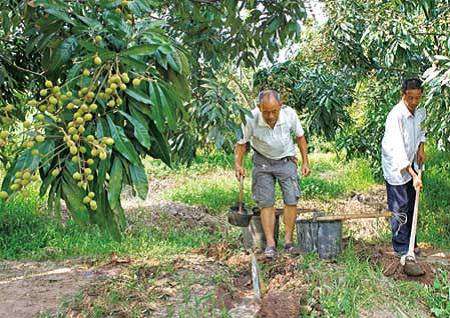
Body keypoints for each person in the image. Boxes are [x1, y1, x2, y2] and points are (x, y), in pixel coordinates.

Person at [234, 90, 310, 259]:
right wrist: (238, 164)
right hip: (262, 162)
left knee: (291, 199)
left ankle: (289, 242)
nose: (270, 116)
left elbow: (300, 138)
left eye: (274, 111)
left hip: (286, 160)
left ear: (280, 107)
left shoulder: (289, 115)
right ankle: (270, 245)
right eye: (266, 111)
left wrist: (305, 161)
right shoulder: (250, 118)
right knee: (266, 202)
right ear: (259, 107)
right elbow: (241, 143)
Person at [381, 78, 426, 257]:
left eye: (417, 98)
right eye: (410, 98)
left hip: (412, 162)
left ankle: (411, 242)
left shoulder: (420, 111)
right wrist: (413, 174)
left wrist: (421, 147)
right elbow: (398, 148)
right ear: (403, 95)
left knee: (412, 204)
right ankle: (401, 247)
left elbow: (423, 130)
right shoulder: (395, 116)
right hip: (396, 166)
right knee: (400, 206)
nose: (414, 102)